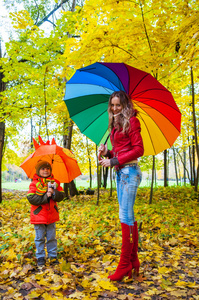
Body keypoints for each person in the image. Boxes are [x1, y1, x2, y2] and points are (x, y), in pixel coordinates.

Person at [98, 91, 144, 281]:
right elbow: (121, 149)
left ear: (125, 105)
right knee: (128, 217)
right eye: (112, 105)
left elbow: (138, 149)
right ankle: (133, 261)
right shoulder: (115, 126)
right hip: (121, 172)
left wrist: (115, 159)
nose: (115, 108)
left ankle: (125, 264)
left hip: (130, 172)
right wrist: (107, 152)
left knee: (125, 216)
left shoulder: (132, 121)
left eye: (118, 105)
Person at [27, 161, 65, 267]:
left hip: (51, 215)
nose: (45, 171)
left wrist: (53, 193)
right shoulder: (34, 184)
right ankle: (40, 257)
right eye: (43, 169)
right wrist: (45, 196)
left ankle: (52, 256)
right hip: (39, 216)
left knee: (52, 237)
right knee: (39, 238)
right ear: (38, 171)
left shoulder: (55, 183)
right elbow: (31, 198)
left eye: (48, 169)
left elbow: (61, 195)